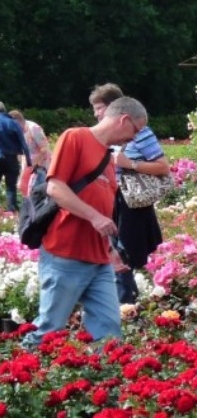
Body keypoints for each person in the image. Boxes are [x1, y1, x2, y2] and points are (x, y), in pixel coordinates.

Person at [22, 97, 149, 350]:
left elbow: (104, 207)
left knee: (109, 332)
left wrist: (110, 250)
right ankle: (15, 369)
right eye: (135, 130)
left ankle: (105, 374)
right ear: (124, 120)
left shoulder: (108, 158)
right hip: (65, 255)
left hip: (99, 260)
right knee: (49, 329)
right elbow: (55, 188)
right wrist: (94, 216)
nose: (134, 138)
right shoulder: (76, 138)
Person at [90, 83, 168, 304]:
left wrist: (130, 164)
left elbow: (163, 167)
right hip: (111, 200)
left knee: (129, 253)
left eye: (99, 108)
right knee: (115, 252)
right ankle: (128, 301)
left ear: (114, 108)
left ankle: (130, 302)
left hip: (132, 203)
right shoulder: (100, 136)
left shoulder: (140, 132)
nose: (96, 114)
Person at [8, 109, 51, 197]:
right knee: (21, 186)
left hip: (41, 165)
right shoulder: (18, 132)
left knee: (37, 190)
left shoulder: (34, 128)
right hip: (28, 164)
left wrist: (33, 164)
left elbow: (44, 149)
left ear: (17, 121)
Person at [0, 105, 32, 212]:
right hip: (11, 158)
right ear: (4, 110)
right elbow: (23, 143)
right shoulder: (12, 123)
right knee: (11, 186)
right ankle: (11, 210)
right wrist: (29, 162)